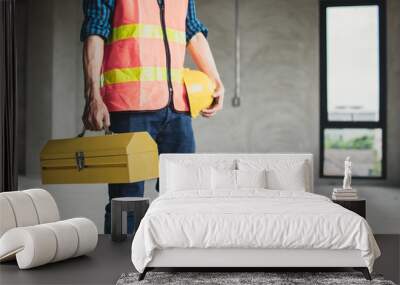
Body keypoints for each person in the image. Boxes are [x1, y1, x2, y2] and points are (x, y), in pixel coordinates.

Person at [80, 0, 224, 233]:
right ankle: (120, 266)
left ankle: (174, 263)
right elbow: (95, 30)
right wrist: (93, 95)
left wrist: (216, 81)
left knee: (183, 196)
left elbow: (193, 31)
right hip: (129, 107)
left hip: (177, 108)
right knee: (126, 201)